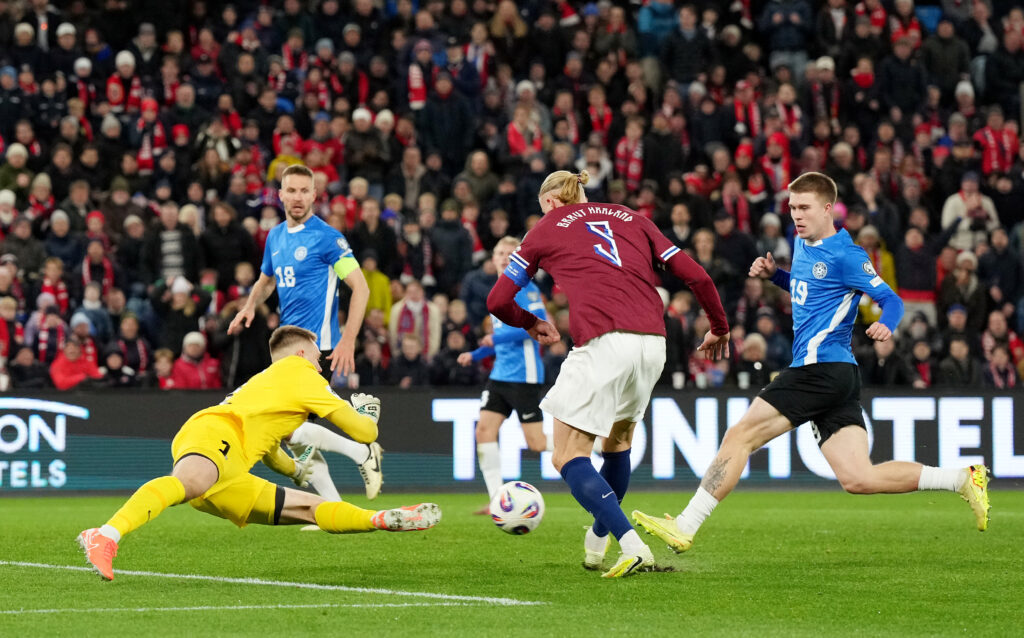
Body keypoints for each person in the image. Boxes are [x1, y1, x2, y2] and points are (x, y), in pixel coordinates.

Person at [633, 172, 991, 558]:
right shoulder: (802, 243)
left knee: (740, 437)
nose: (796, 216)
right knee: (858, 477)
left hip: (819, 368)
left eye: (804, 208)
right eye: (792, 208)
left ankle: (684, 526)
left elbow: (893, 300)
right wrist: (776, 277)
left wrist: (886, 325)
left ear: (827, 209)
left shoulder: (847, 255)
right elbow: (810, 288)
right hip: (837, 375)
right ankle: (961, 479)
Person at [486, 170, 730, 578]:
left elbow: (498, 300)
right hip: (653, 343)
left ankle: (631, 545)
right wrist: (719, 327)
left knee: (567, 455)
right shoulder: (632, 217)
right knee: (616, 446)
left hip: (603, 343)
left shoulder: (544, 229)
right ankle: (597, 543)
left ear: (548, 202)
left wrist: (530, 322)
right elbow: (698, 276)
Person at [77, 325, 441, 582]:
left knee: (308, 509)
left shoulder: (272, 387)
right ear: (301, 354)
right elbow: (365, 433)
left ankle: (378, 520)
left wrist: (297, 470)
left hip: (231, 467)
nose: (320, 366)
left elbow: (269, 453)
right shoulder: (301, 373)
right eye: (317, 358)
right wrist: (370, 413)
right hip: (218, 432)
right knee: (190, 481)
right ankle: (106, 534)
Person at [228, 164, 383, 504]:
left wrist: (349, 339)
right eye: (291, 191)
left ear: (314, 195)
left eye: (304, 191)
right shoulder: (275, 236)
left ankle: (362, 453)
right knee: (294, 439)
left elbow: (360, 288)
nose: (297, 197)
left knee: (288, 431)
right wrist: (251, 305)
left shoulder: (327, 238)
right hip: (286, 351)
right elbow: (268, 279)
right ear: (280, 195)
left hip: (317, 348)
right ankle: (334, 505)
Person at [458, 236, 550, 513]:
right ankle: (498, 498)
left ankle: (592, 448)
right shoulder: (499, 291)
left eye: (511, 253)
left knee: (537, 443)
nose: (504, 257)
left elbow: (535, 325)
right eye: (500, 252)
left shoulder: (526, 288)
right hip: (500, 374)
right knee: (484, 431)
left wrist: (492, 341)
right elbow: (498, 337)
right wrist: (474, 355)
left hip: (524, 374)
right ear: (493, 257)